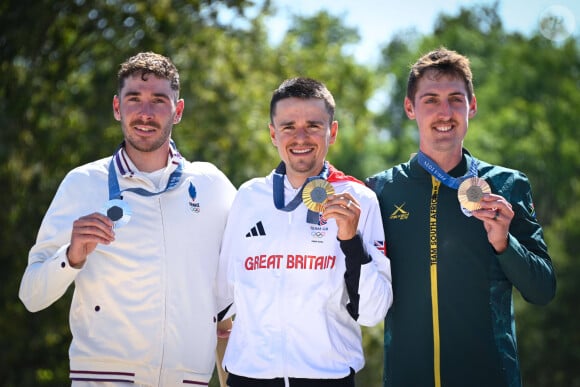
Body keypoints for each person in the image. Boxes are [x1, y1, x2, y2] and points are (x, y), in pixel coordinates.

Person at [19, 52, 236, 386]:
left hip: (188, 381)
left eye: (159, 101)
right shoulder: (83, 182)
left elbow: (241, 282)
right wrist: (71, 257)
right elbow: (31, 296)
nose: (145, 113)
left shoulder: (212, 185)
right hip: (103, 379)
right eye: (134, 99)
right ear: (117, 107)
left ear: (177, 112)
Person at [366, 47, 556, 387]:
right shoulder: (380, 191)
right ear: (410, 108)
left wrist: (504, 243)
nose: (445, 112)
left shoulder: (508, 186)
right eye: (431, 100)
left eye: (456, 99)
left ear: (472, 105)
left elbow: (542, 289)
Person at [216, 77, 393, 387]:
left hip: (326, 377)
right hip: (248, 377)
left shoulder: (359, 199)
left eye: (313, 125)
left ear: (332, 132)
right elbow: (222, 297)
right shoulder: (248, 197)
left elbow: (373, 312)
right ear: (273, 134)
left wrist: (351, 240)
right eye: (288, 127)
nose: (300, 137)